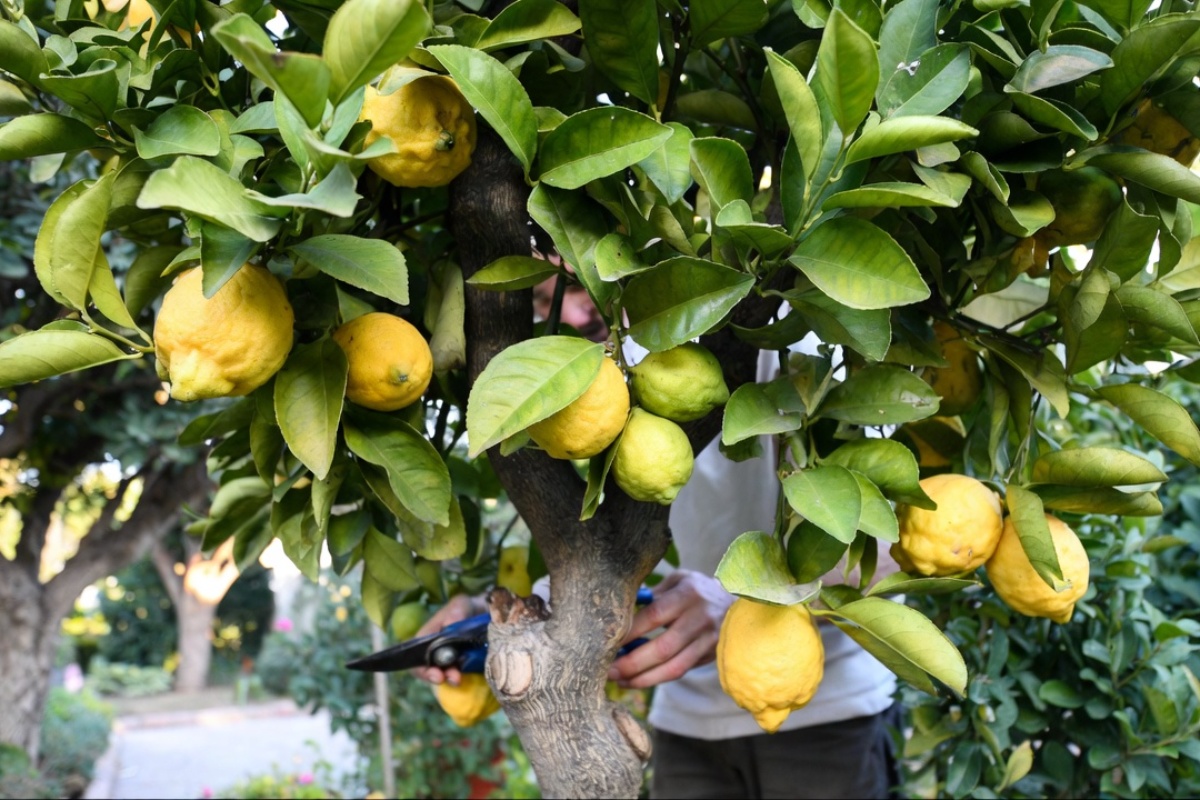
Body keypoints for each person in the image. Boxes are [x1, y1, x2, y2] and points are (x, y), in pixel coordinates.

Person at [413, 287, 904, 799]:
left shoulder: (786, 342)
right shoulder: (596, 398)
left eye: (580, 285)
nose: (575, 312)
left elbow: (891, 545)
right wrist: (495, 618)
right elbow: (611, 562)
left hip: (823, 716)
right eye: (543, 300)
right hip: (684, 725)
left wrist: (743, 600)